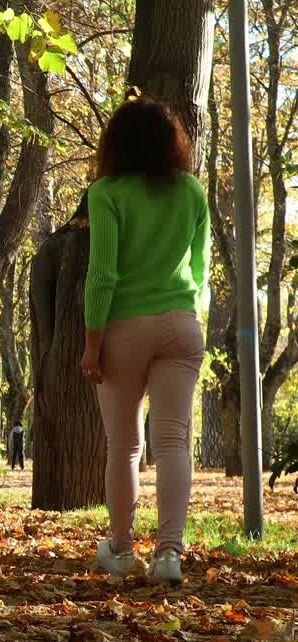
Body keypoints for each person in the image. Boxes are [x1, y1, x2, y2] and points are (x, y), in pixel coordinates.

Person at [79, 97, 209, 586]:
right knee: (174, 440)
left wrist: (93, 343)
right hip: (181, 322)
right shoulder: (191, 192)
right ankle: (170, 554)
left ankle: (119, 548)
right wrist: (193, 317)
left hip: (125, 328)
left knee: (125, 444)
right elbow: (200, 269)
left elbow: (103, 275)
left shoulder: (107, 192)